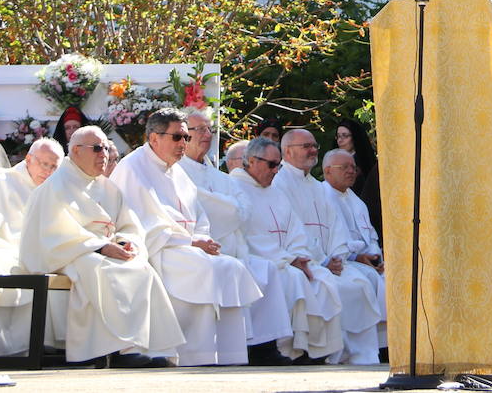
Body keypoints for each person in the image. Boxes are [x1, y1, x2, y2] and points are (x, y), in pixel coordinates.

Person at [109, 107, 263, 366]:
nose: (184, 144)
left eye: (185, 138)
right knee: (206, 270)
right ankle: (193, 355)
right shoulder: (132, 168)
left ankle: (228, 355)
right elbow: (136, 224)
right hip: (158, 250)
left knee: (231, 267)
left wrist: (202, 239)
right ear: (154, 138)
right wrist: (189, 241)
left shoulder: (177, 170)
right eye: (177, 137)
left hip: (185, 247)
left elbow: (198, 215)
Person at [20, 125, 182, 368]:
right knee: (103, 269)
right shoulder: (56, 186)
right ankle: (113, 349)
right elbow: (54, 234)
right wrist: (100, 247)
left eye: (106, 148)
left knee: (142, 269)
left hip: (100, 250)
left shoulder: (107, 187)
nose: (103, 154)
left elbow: (129, 224)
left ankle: (138, 346)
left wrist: (128, 242)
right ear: (75, 151)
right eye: (97, 148)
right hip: (68, 254)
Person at [179, 109, 295, 365]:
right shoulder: (178, 172)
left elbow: (243, 210)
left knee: (266, 270)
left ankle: (264, 345)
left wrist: (230, 209)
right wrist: (230, 208)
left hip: (233, 248)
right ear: (184, 135)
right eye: (199, 129)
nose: (206, 134)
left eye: (209, 129)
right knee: (233, 270)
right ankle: (230, 348)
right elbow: (212, 208)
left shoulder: (217, 175)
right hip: (200, 248)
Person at [274, 128, 386, 364]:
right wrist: (323, 260)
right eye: (306, 146)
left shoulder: (315, 186)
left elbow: (334, 226)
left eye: (314, 145)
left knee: (359, 284)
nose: (313, 149)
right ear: (287, 151)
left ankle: (363, 355)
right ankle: (331, 352)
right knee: (337, 287)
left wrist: (337, 255)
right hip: (305, 260)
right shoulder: (279, 184)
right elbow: (293, 229)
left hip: (329, 261)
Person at [232, 136, 344, 363]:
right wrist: (289, 259)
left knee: (322, 279)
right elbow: (249, 236)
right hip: (261, 261)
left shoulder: (276, 192)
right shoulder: (235, 188)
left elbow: (295, 230)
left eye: (279, 165)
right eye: (271, 165)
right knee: (294, 279)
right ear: (252, 161)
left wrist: (299, 256)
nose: (276, 171)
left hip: (287, 260)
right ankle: (284, 349)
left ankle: (313, 350)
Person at [0, 136, 67, 356]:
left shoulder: (56, 187)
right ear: (29, 159)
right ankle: (24, 345)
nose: (48, 171)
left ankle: (59, 343)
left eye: (54, 166)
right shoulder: (6, 183)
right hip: (10, 246)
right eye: (44, 164)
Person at [321, 149, 387, 346]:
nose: (351, 171)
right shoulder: (322, 196)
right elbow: (331, 241)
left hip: (368, 261)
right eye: (344, 167)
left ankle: (386, 344)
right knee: (364, 281)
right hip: (344, 261)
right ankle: (359, 346)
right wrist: (357, 257)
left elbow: (371, 236)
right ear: (327, 171)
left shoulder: (357, 201)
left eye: (353, 167)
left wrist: (377, 257)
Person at [335, 119, 383, 244]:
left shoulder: (363, 162)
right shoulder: (334, 160)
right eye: (338, 136)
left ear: (354, 137)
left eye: (345, 136)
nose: (340, 140)